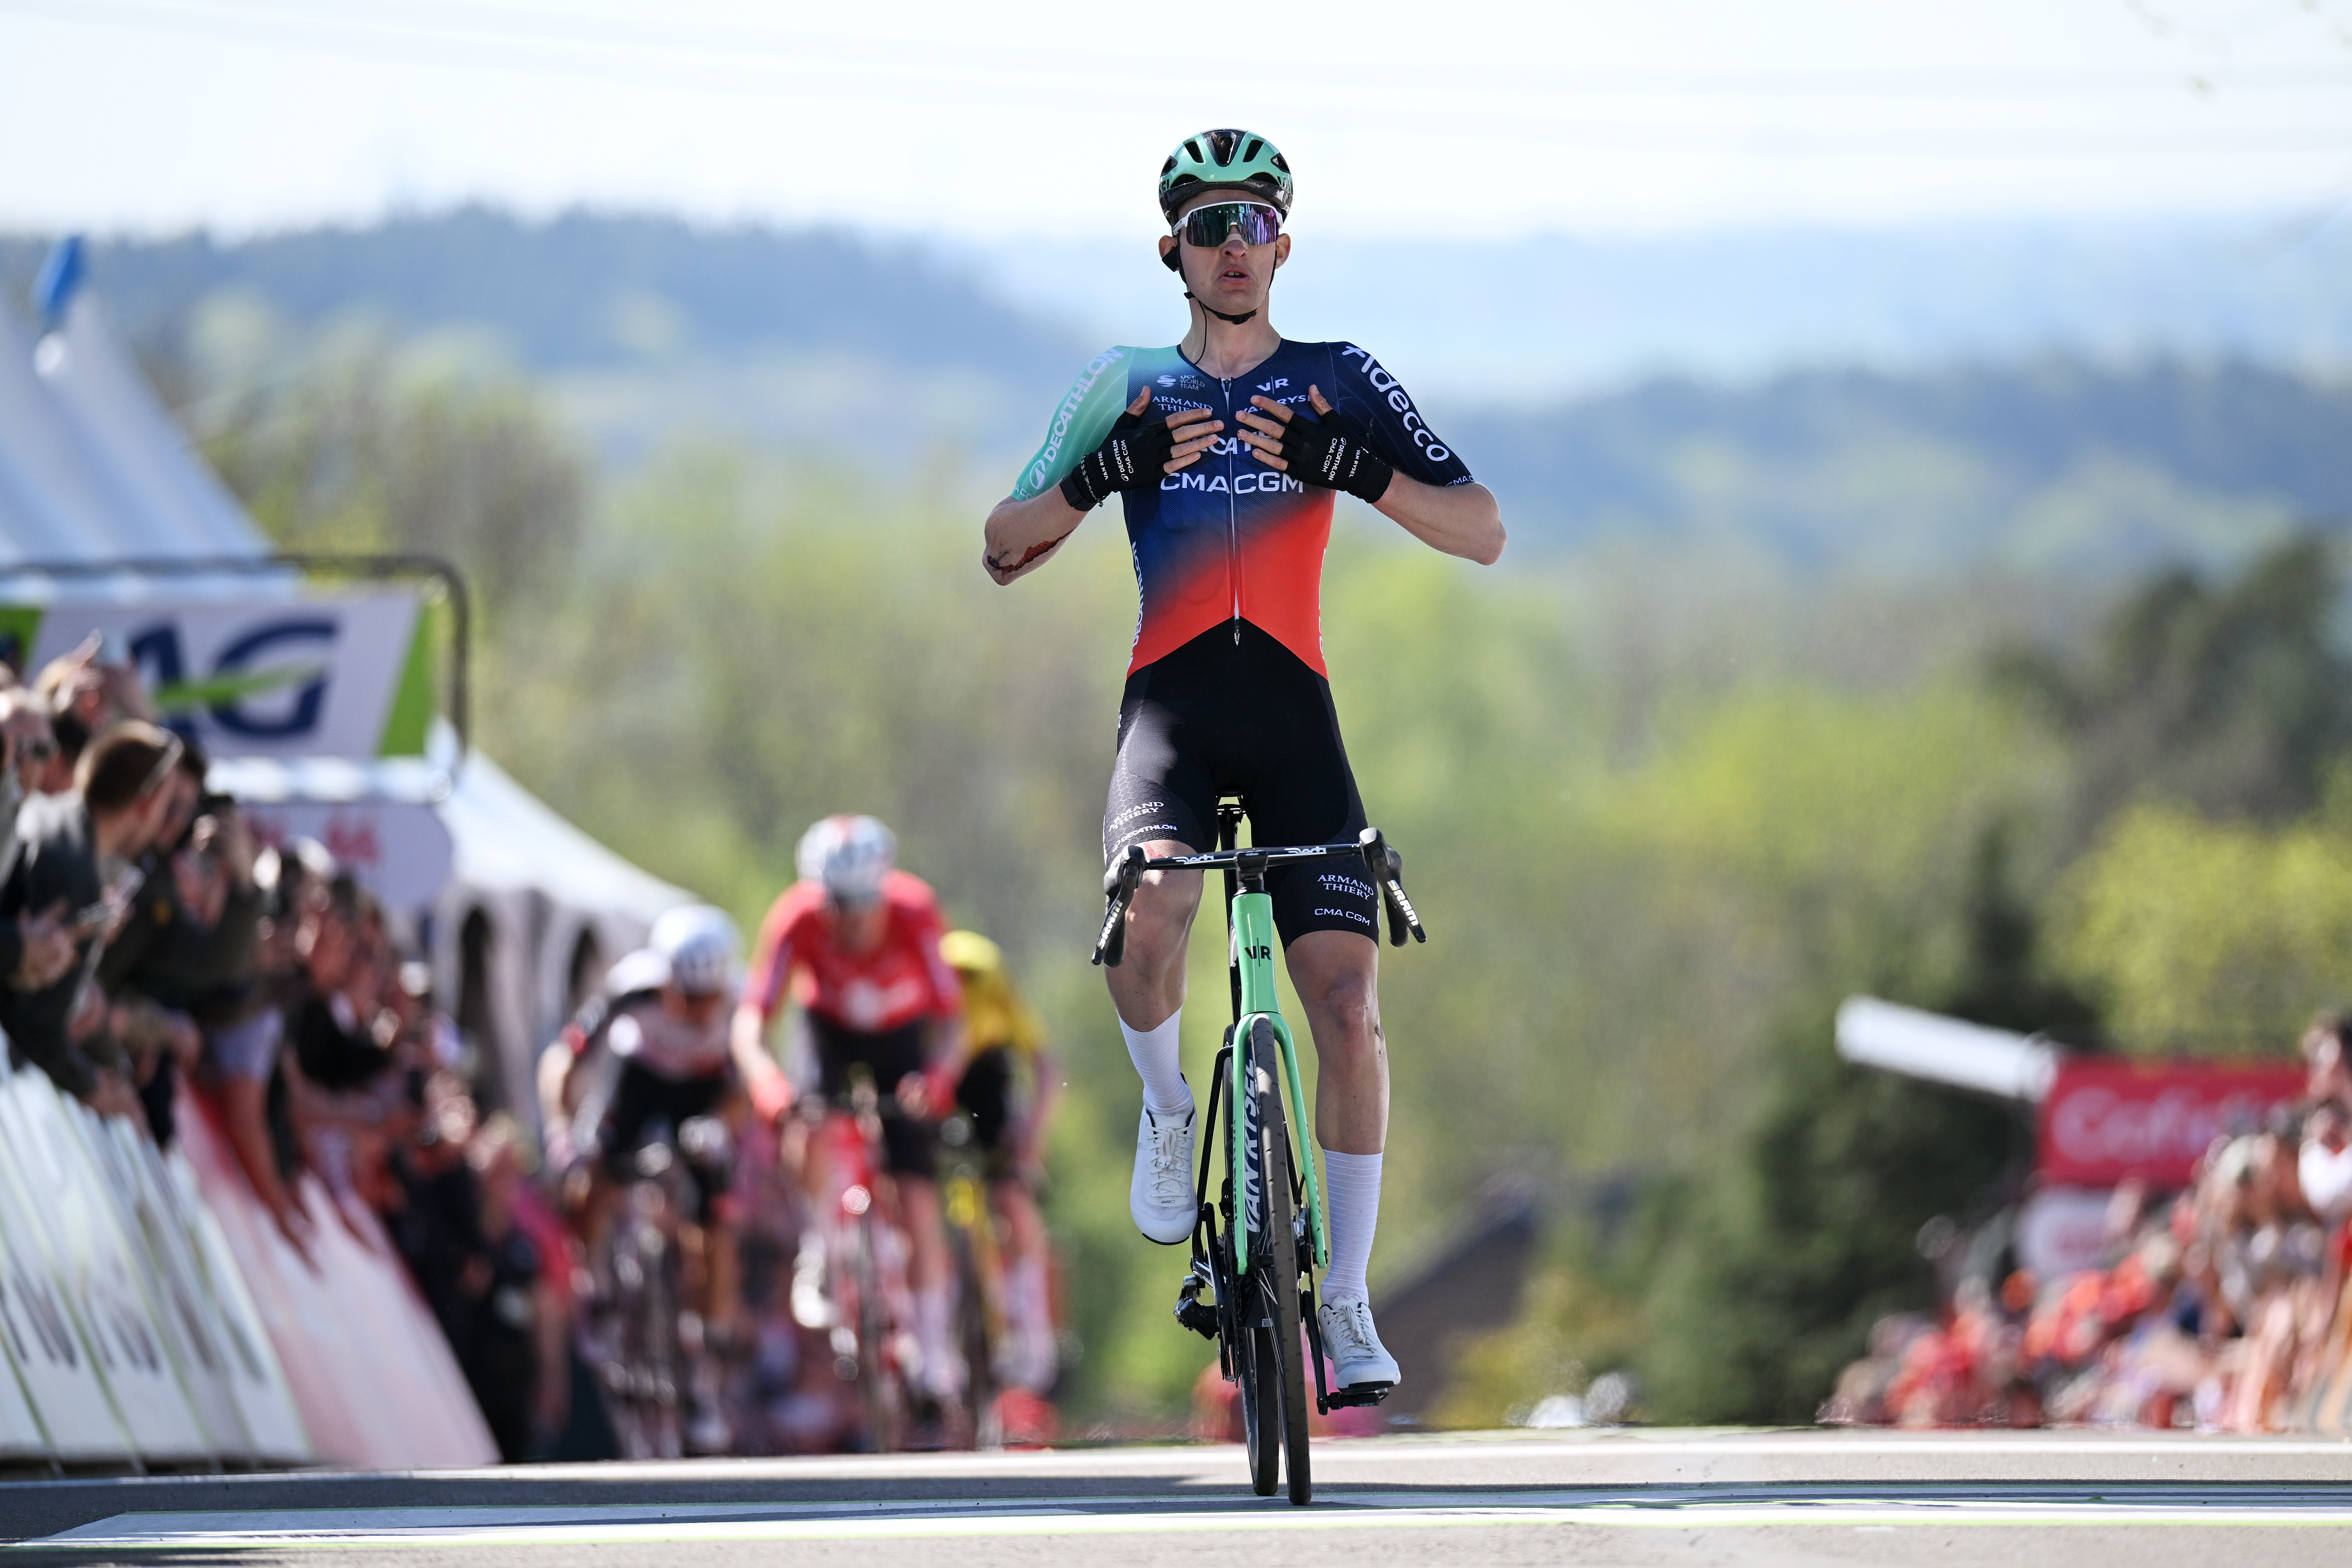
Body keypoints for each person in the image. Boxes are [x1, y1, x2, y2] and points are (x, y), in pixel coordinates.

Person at [980, 128, 1505, 1394]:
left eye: (1256, 222)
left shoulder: (1337, 377)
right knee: (1151, 921)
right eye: (1210, 225)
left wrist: (1360, 469)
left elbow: (1482, 530)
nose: (1234, 244)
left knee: (1346, 1006)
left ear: (1284, 242)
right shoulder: (1130, 379)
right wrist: (1103, 474)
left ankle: (1349, 1299)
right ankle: (1170, 1109)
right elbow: (1004, 542)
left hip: (1294, 721)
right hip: (1169, 716)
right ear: (1173, 249)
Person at [732, 814, 970, 1403]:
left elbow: (954, 1022)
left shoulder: (915, 910)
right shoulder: (796, 916)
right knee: (804, 1121)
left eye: (863, 904)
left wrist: (937, 1077)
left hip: (900, 1036)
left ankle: (934, 1342)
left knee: (916, 1190)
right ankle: (819, 1244)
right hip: (828, 1031)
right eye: (836, 905)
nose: (850, 920)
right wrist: (767, 1083)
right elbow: (750, 1021)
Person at [0, 721, 186, 1119]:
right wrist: (93, 1087)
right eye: (167, 806)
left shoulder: (53, 815)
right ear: (147, 803)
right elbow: (34, 1026)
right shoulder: (76, 876)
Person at [940, 929, 1060, 1393]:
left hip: (988, 1075)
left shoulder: (991, 982)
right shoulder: (933, 984)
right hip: (938, 1077)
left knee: (1010, 1191)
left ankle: (1033, 1324)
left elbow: (1047, 1064)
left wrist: (1033, 1136)